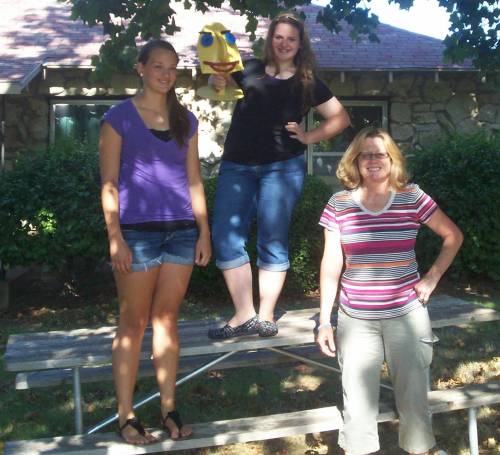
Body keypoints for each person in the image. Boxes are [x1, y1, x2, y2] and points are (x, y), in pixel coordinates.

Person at [317, 127, 463, 455]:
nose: (373, 160)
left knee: (414, 403)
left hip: (406, 316)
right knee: (357, 406)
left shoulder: (412, 197)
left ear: (392, 159)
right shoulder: (339, 203)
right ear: (354, 160)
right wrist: (325, 320)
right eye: (365, 154)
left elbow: (453, 236)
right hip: (356, 318)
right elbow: (330, 264)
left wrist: (432, 278)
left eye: (380, 154)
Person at [208, 11, 350, 339]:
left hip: (282, 168)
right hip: (237, 165)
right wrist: (217, 81)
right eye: (278, 36)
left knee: (273, 238)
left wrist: (308, 137)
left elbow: (340, 118)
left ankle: (266, 315)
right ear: (270, 39)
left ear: (300, 44)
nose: (283, 43)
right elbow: (219, 84)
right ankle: (244, 314)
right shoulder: (248, 67)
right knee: (226, 238)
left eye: (291, 38)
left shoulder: (308, 82)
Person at [99, 39, 211, 445]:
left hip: (182, 231)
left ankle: (169, 408)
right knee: (133, 322)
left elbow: (194, 179)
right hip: (136, 234)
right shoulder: (118, 118)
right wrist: (115, 237)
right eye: (158, 66)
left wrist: (204, 231)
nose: (166, 73)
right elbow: (109, 183)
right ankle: (126, 416)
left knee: (167, 320)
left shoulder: (186, 120)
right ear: (141, 67)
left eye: (172, 67)